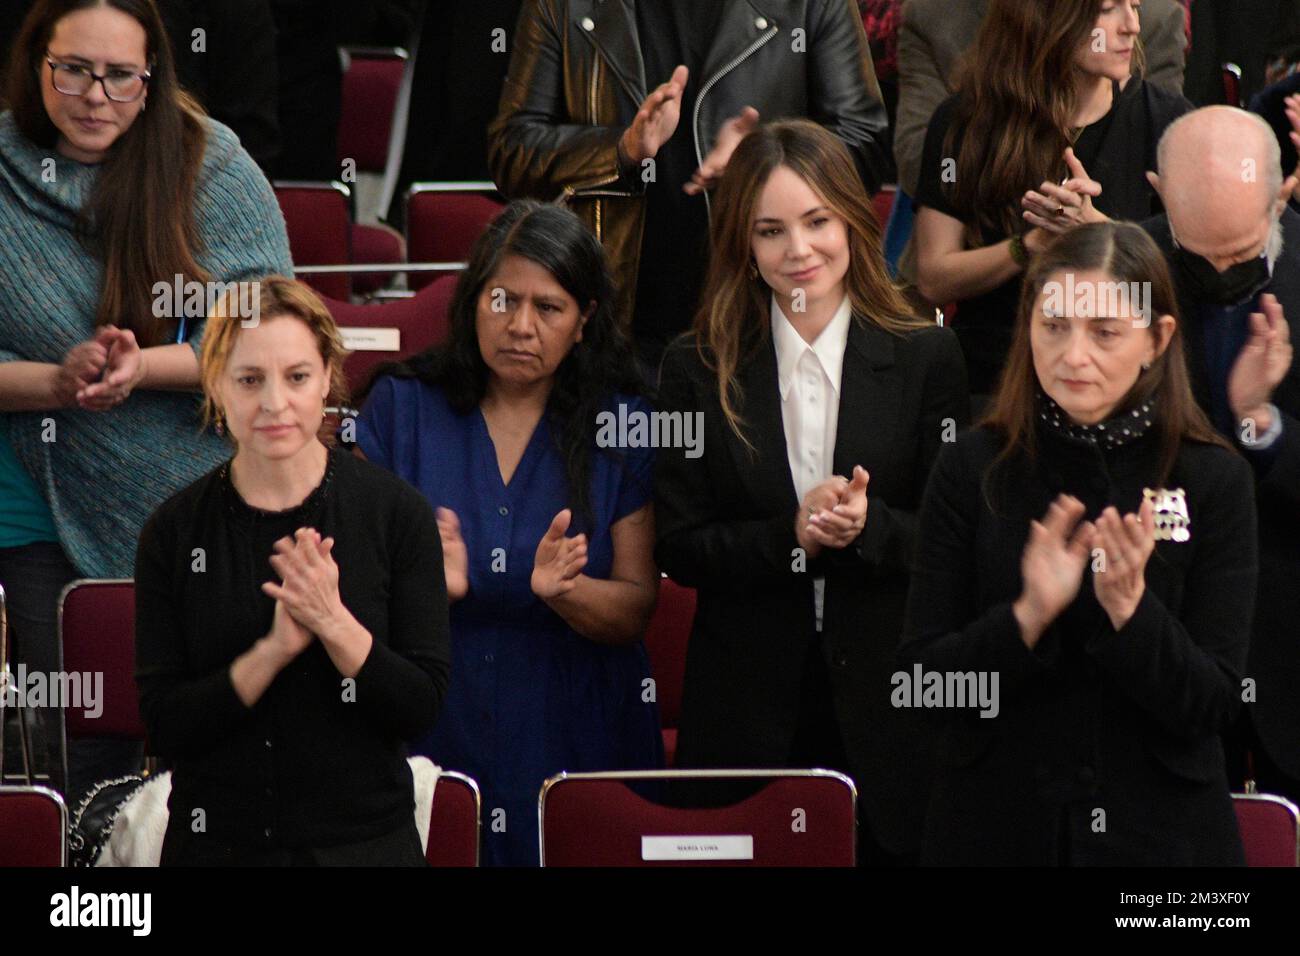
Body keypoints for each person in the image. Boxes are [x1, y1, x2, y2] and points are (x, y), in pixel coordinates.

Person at [655, 120, 969, 864]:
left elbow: (957, 540)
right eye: (770, 231)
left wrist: (873, 527)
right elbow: (677, 542)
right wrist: (785, 540)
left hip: (895, 710)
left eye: (818, 221)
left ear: (854, 221)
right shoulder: (691, 367)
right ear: (743, 241)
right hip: (743, 712)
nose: (798, 251)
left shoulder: (930, 353)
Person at [0, 0, 292, 795]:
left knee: (224, 738)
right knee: (87, 746)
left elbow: (271, 333)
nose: (96, 95)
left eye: (120, 76)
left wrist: (147, 367)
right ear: (36, 65)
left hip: (204, 493)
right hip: (38, 489)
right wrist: (57, 381)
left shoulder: (211, 164)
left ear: (151, 77)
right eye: (73, 70)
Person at [903, 222, 1256, 865]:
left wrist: (1131, 611)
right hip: (996, 830)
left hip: (1163, 846)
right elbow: (921, 690)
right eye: (1054, 325)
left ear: (1158, 339)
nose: (1073, 356)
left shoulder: (1214, 478)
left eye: (1105, 333)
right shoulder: (972, 466)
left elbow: (1214, 705)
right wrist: (1027, 617)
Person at [355, 200, 662, 867]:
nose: (520, 326)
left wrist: (567, 593)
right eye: (502, 300)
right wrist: (422, 591)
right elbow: (347, 602)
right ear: (472, 302)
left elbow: (636, 607)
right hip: (434, 718)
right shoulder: (398, 409)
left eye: (548, 308)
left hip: (575, 723)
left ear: (584, 321)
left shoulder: (624, 422)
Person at [135, 277, 450, 866]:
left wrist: (333, 623)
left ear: (328, 376)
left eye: (297, 377)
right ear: (216, 384)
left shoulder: (396, 514)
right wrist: (272, 651)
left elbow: (421, 707)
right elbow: (166, 728)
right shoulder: (173, 532)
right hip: (219, 845)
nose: (274, 403)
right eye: (250, 380)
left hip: (365, 846)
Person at [487, 0, 891, 370]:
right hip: (612, 314)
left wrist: (759, 164)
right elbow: (512, 154)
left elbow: (865, 146)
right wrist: (622, 150)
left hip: (761, 317)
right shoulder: (564, 6)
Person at [1126, 107, 1300, 804]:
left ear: (1281, 194)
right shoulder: (1115, 276)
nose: (1225, 272)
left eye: (1242, 250)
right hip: (1166, 641)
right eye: (1202, 255)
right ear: (1157, 192)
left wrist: (1261, 421)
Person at [894, 0, 1187, 202]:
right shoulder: (931, 14)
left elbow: (1160, 170)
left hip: (1126, 264)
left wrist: (1079, 218)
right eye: (1107, 9)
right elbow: (919, 165)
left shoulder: (1154, 18)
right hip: (975, 240)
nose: (1130, 26)